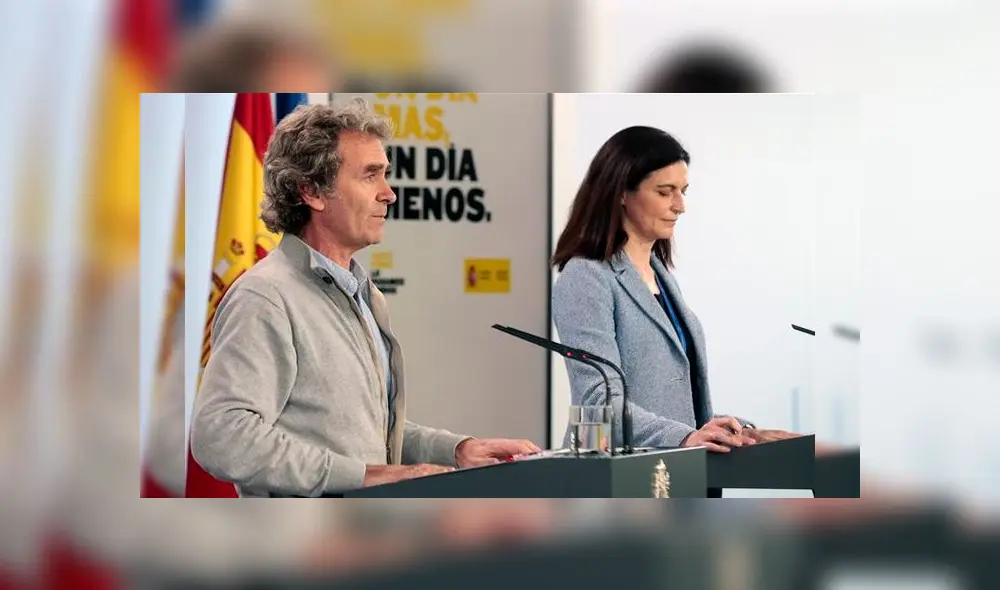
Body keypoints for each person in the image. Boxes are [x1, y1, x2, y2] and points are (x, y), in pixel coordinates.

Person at [190, 99, 539, 498]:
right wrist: (363, 477)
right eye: (370, 176)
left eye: (385, 175)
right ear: (311, 191)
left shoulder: (360, 292)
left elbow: (362, 430)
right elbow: (222, 435)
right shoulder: (266, 296)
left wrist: (456, 450)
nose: (389, 194)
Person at [551, 125, 798, 456]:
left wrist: (740, 432)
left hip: (671, 469)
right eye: (665, 192)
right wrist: (684, 437)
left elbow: (673, 403)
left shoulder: (660, 275)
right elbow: (598, 400)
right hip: (616, 473)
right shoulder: (585, 276)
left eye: (683, 191)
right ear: (621, 192)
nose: (680, 205)